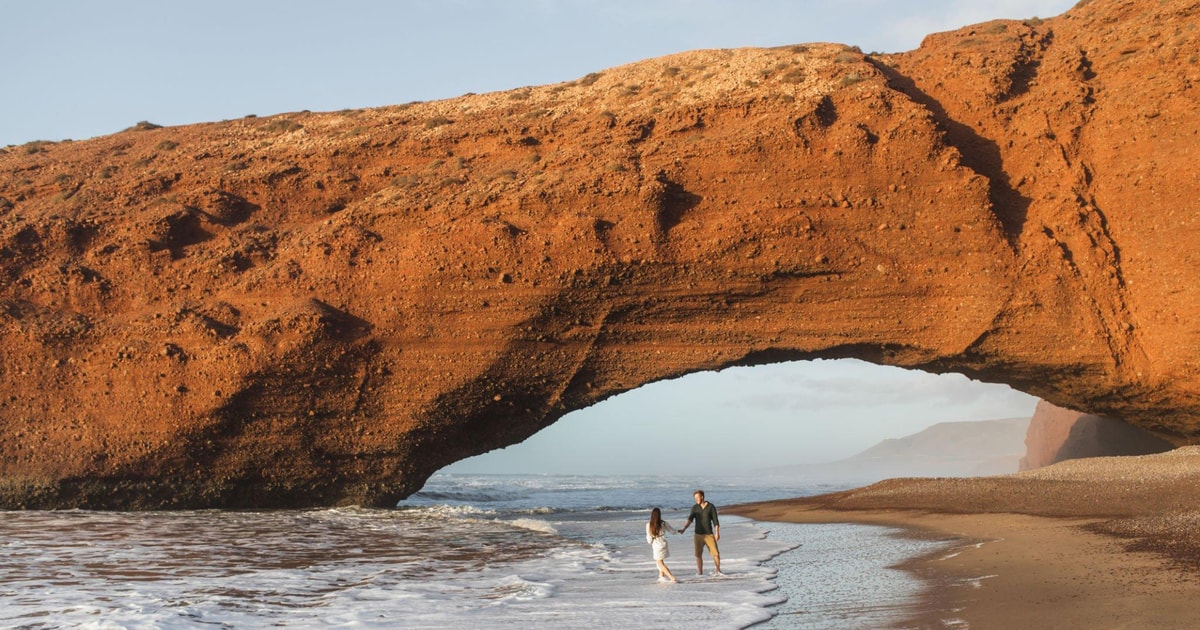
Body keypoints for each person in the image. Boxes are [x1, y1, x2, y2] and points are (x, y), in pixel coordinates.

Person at [681, 489, 721, 576]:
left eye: (697, 497)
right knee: (698, 555)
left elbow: (715, 521)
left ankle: (718, 571)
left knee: (716, 554)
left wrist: (717, 533)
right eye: (695, 498)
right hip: (698, 535)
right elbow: (690, 519)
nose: (696, 499)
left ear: (702, 497)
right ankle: (700, 573)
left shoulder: (711, 507)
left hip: (709, 534)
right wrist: (684, 528)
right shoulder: (694, 508)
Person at [646, 507, 680, 583]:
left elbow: (649, 537)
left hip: (656, 544)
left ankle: (671, 577)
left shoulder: (649, 525)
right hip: (663, 543)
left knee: (659, 563)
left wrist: (650, 542)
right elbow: (672, 531)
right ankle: (661, 576)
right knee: (661, 560)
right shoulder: (663, 523)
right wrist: (679, 531)